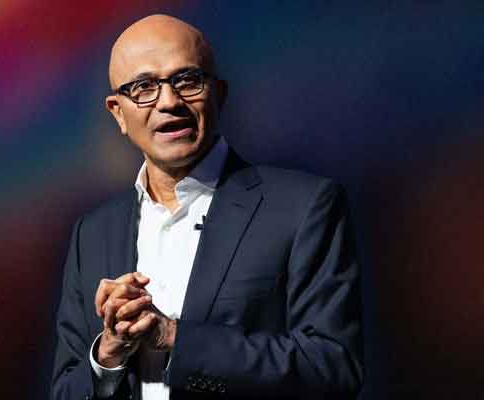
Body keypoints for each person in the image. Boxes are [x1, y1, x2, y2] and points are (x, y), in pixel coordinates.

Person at [50, 14, 363, 400]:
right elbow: (65, 389)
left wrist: (172, 337)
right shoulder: (94, 233)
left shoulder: (303, 208)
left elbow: (331, 370)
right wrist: (108, 355)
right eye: (144, 87)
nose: (169, 102)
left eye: (187, 80)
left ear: (219, 94)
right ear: (118, 112)